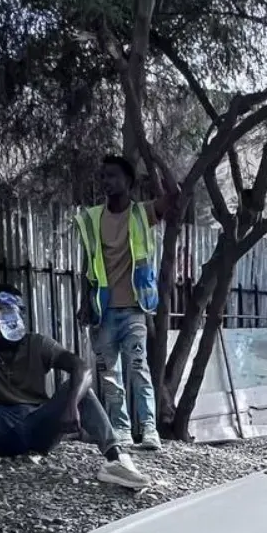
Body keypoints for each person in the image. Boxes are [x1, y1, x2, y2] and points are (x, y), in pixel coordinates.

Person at [0, 283, 146, 521]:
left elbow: (81, 367)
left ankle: (116, 460)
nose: (14, 316)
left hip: (37, 429)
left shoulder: (37, 343)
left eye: (19, 310)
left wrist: (71, 403)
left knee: (80, 389)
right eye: (4, 309)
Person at [75, 154, 178, 451]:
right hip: (103, 311)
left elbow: (173, 199)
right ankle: (120, 430)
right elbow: (88, 265)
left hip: (135, 308)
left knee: (138, 369)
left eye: (113, 176)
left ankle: (149, 429)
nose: (107, 182)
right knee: (109, 376)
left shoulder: (141, 214)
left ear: (129, 182)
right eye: (104, 176)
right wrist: (85, 303)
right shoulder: (93, 218)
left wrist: (157, 162)